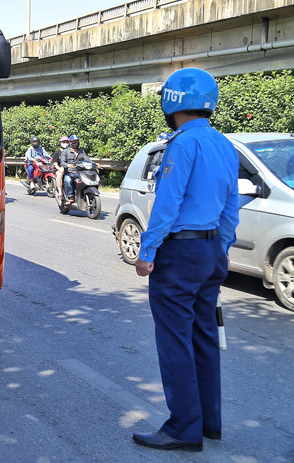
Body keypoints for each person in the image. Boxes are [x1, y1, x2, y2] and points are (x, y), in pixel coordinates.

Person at [132, 68, 239, 453]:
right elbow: (231, 205)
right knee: (205, 337)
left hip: (180, 252)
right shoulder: (225, 145)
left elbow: (168, 202)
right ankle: (209, 422)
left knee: (175, 339)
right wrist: (222, 248)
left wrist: (147, 252)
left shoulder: (181, 144)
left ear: (171, 101)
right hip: (210, 250)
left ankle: (183, 427)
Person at [60, 134, 90, 204]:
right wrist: (68, 165)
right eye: (74, 141)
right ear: (70, 142)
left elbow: (87, 159)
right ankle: (71, 197)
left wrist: (95, 164)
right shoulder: (65, 152)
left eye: (77, 141)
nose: (76, 143)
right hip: (70, 173)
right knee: (67, 181)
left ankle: (85, 194)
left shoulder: (81, 151)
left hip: (80, 172)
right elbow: (62, 162)